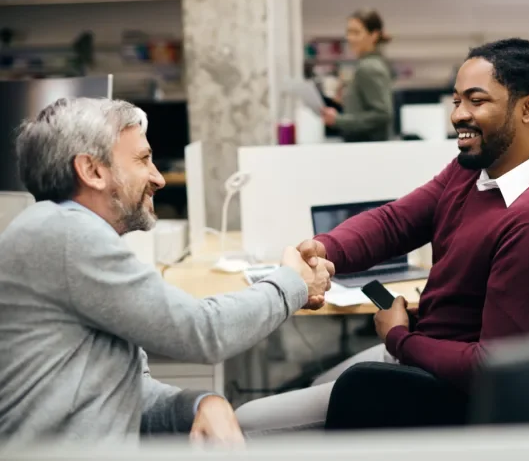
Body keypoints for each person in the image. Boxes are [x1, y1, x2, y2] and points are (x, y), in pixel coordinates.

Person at [236, 38, 529, 436]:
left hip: (442, 394)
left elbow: (490, 368)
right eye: (456, 101)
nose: (458, 115)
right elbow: (396, 222)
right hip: (422, 357)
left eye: (477, 101)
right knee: (318, 387)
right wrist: (326, 249)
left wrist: (399, 338)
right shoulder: (476, 170)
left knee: (243, 425)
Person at [0, 98, 334, 446]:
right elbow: (201, 331)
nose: (158, 178)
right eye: (143, 159)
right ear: (92, 171)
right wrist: (291, 283)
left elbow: (126, 393)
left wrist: (200, 403)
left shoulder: (63, 233)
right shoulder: (65, 233)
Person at [321, 8, 394, 142]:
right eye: (348, 32)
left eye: (356, 32)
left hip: (367, 150)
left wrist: (338, 120)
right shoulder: (367, 64)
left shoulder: (369, 67)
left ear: (374, 35)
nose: (350, 38)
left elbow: (382, 115)